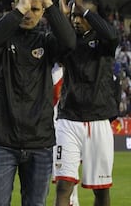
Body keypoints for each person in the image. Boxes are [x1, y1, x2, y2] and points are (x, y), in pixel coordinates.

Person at [0, 0, 76, 206]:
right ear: (16, 5)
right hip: (2, 141)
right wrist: (18, 11)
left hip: (39, 143)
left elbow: (70, 43)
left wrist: (51, 6)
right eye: (25, 7)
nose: (29, 14)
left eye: (35, 9)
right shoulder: (4, 38)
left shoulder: (46, 42)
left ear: (42, 11)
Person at [54, 0, 119, 206]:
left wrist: (85, 10)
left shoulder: (104, 43)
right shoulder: (68, 41)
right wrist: (62, 18)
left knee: (100, 192)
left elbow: (112, 37)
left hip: (98, 120)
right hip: (68, 119)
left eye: (81, 16)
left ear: (93, 17)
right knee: (63, 185)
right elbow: (53, 44)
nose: (76, 20)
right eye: (74, 15)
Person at [51, 63, 79, 206]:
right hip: (52, 130)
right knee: (64, 180)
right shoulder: (52, 71)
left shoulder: (69, 71)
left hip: (67, 129)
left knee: (67, 180)